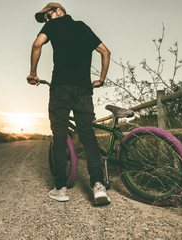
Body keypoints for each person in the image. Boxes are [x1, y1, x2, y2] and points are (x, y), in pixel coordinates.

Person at [27, 2, 111, 205]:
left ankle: (61, 188)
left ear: (59, 12)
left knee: (60, 134)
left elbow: (37, 44)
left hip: (60, 88)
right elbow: (106, 52)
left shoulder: (54, 25)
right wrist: (101, 79)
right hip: (83, 90)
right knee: (87, 134)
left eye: (47, 16)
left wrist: (33, 73)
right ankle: (98, 186)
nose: (46, 20)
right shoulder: (82, 27)